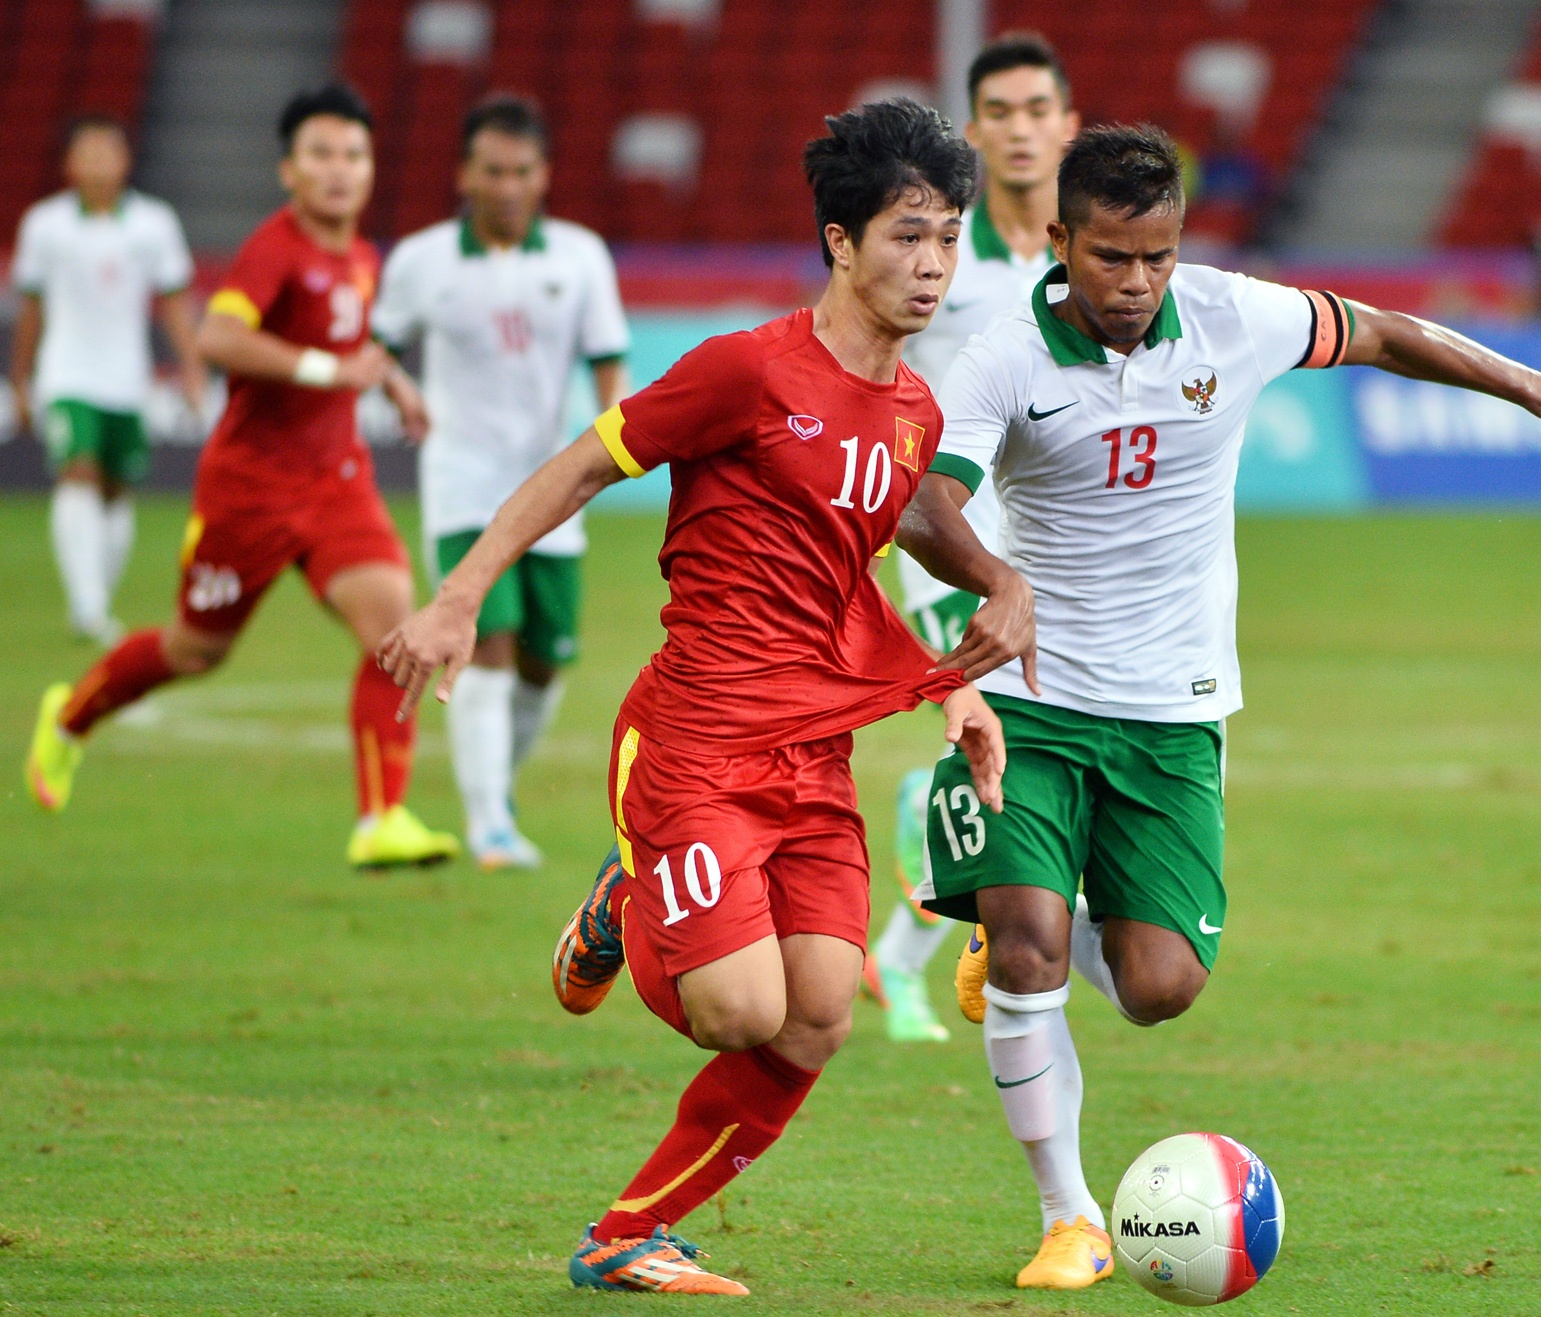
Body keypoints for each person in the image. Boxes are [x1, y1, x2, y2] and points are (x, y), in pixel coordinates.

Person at [895, 123, 1541, 1291]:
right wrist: (1000, 581)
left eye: (1156, 255)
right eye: (1110, 256)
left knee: (1160, 988)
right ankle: (1068, 1216)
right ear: (1060, 240)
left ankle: (1017, 921)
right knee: (1033, 954)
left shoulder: (1231, 316)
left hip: (1174, 707)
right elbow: (923, 507)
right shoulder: (1003, 355)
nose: (1136, 282)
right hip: (1031, 702)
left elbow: (1387, 332)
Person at [375, 99, 1007, 1296]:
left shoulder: (915, 413)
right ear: (840, 243)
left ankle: (629, 1232)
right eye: (907, 235)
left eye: (947, 237)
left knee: (820, 1016)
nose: (933, 265)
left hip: (811, 757)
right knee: (737, 1012)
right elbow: (582, 464)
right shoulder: (746, 370)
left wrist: (952, 689)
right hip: (696, 744)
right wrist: (459, 593)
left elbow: (859, 564)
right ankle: (627, 898)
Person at [24, 84, 459, 871]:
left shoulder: (363, 256)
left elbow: (355, 342)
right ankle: (70, 716)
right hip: (250, 490)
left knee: (396, 633)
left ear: (370, 168)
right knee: (195, 650)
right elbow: (220, 338)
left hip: (337, 481)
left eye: (353, 154)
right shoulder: (274, 248)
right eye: (320, 154)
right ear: (288, 170)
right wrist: (331, 370)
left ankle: (382, 818)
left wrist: (393, 382)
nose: (339, 169)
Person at [870, 32, 1077, 1045]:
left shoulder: (1098, 257)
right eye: (1000, 112)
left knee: (1041, 748)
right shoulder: (941, 254)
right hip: (944, 536)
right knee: (1006, 730)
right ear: (975, 130)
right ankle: (954, 940)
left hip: (1054, 548)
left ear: (1068, 126)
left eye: (1038, 110)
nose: (1021, 130)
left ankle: (902, 953)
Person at [372, 95, 631, 870]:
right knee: (487, 642)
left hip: (555, 485)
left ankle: (497, 791)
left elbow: (608, 357)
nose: (508, 186)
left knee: (545, 661)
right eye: (493, 171)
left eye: (522, 171)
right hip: (463, 483)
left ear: (544, 174)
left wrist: (615, 434)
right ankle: (488, 825)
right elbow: (378, 347)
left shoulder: (580, 257)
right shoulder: (422, 261)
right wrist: (398, 386)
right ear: (465, 175)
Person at [9, 114, 205, 645]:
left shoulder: (154, 224)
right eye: (87, 152)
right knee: (79, 471)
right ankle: (88, 606)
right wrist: (21, 377)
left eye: (107, 151)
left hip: (127, 377)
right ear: (69, 163)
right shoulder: (45, 225)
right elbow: (31, 308)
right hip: (67, 373)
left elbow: (173, 303)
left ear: (125, 160)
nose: (98, 162)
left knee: (117, 490)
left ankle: (96, 597)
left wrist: (192, 367)